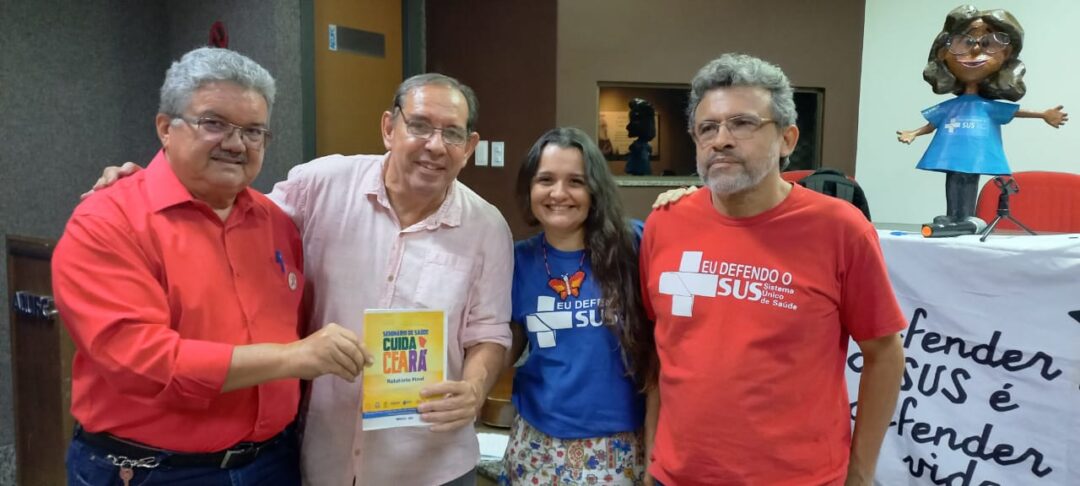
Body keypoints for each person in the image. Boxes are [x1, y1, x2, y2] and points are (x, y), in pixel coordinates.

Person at [53, 47, 371, 485]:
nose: (236, 144)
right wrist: (294, 358)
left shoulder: (276, 222)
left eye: (253, 131)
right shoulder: (108, 221)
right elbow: (140, 360)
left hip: (273, 462)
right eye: (214, 123)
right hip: (154, 471)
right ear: (165, 128)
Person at [639, 53, 906, 485]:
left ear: (787, 138)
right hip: (677, 476)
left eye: (742, 123)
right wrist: (653, 459)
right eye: (707, 128)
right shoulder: (665, 223)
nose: (721, 140)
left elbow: (885, 354)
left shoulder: (841, 229)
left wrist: (859, 473)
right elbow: (660, 349)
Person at [499, 127, 654, 485]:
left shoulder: (634, 244)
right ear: (529, 188)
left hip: (617, 446)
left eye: (575, 182)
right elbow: (506, 344)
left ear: (594, 189)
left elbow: (661, 355)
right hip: (536, 443)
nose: (558, 193)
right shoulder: (517, 260)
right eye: (546, 180)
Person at [897, 5, 1067, 229]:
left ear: (1006, 56)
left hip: (974, 153)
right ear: (943, 53)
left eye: (989, 43)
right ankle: (952, 216)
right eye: (964, 42)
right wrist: (913, 133)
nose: (976, 49)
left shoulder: (987, 107)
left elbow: (1015, 111)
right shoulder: (951, 106)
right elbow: (933, 123)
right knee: (953, 181)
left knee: (969, 180)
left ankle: (965, 216)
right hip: (951, 152)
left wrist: (1044, 114)